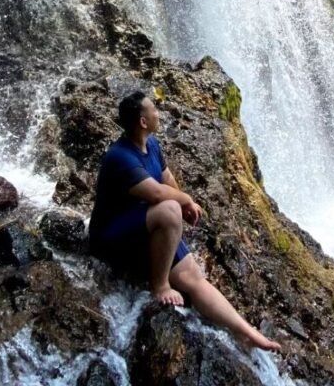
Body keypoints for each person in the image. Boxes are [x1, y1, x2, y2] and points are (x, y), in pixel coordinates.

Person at [89, 90, 281, 352]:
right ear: (142, 122)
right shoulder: (120, 156)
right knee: (169, 209)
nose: (158, 112)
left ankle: (246, 332)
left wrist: (186, 203)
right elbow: (157, 193)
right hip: (110, 237)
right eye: (153, 109)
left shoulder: (152, 145)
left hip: (143, 229)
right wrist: (184, 200)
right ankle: (160, 286)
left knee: (194, 278)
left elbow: (167, 180)